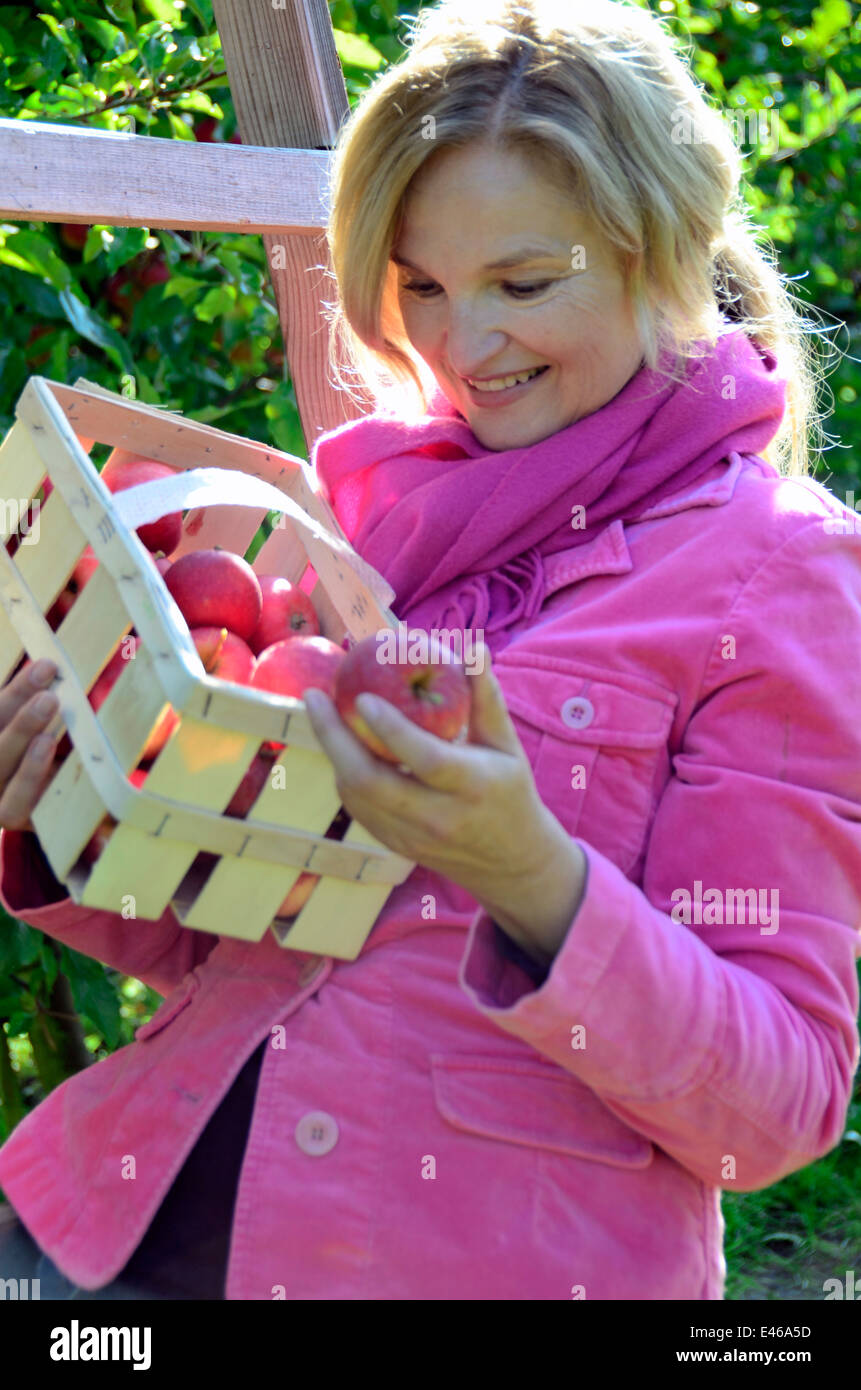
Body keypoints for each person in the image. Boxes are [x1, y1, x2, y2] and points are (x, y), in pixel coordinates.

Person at [1, 0, 859, 1301]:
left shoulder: (776, 570)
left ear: (661, 248)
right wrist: (72, 804)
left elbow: (774, 1102)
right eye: (420, 288)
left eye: (523, 284)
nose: (460, 349)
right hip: (111, 1230)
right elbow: (244, 942)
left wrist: (529, 876)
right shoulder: (380, 518)